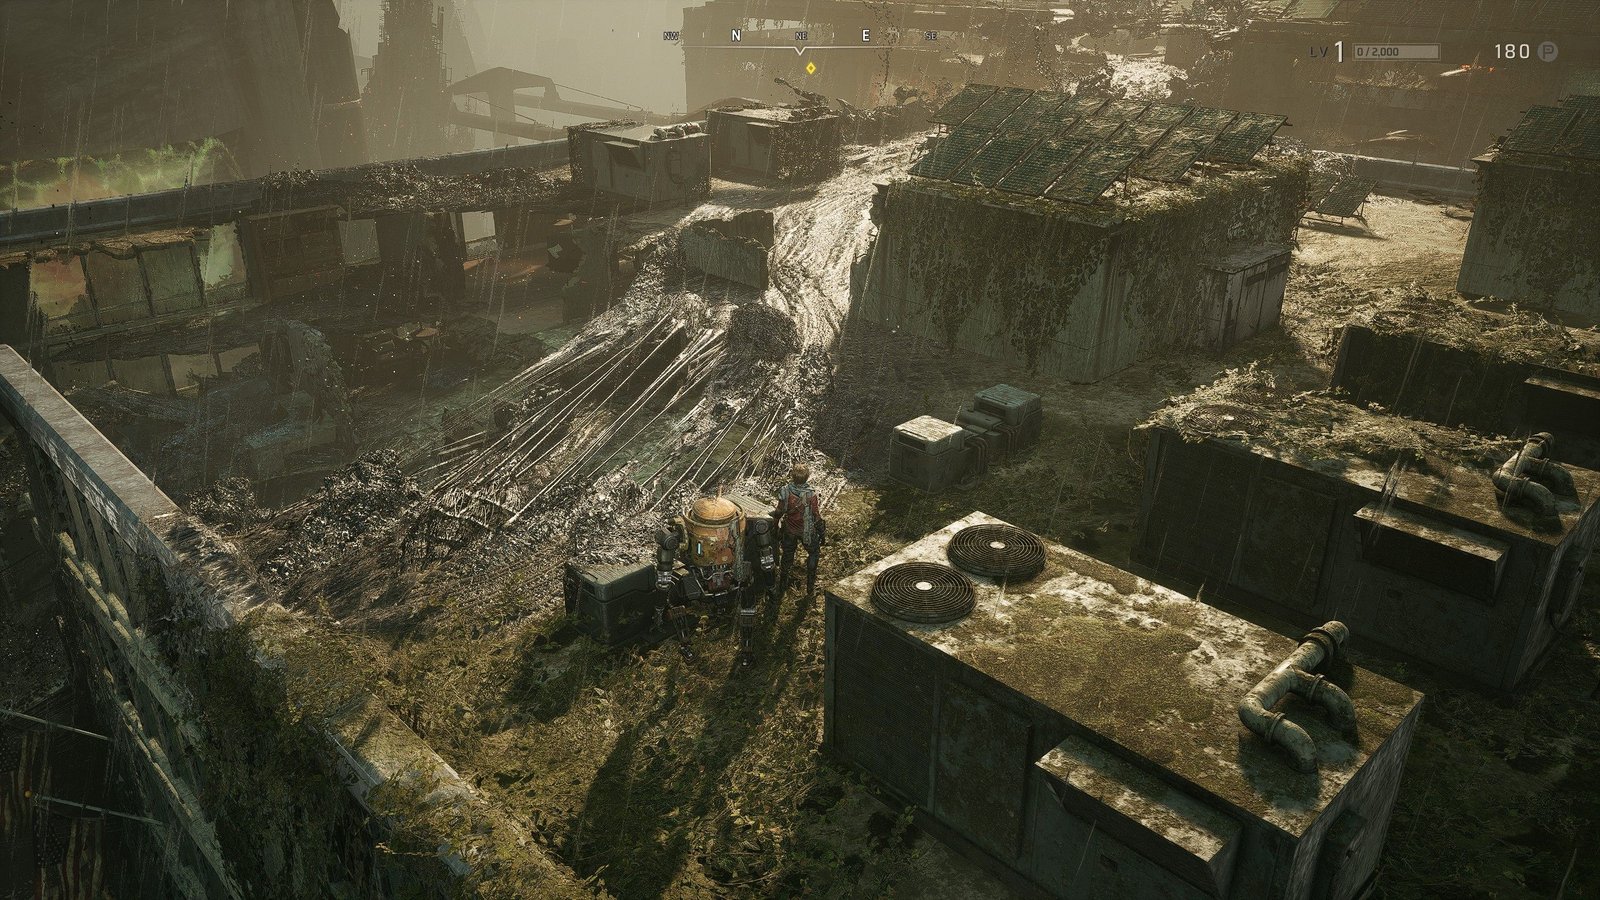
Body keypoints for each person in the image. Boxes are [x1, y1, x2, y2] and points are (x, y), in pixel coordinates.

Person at [772, 464, 826, 597]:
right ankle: (810, 587)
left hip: (790, 530)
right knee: (814, 553)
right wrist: (822, 532)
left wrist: (775, 526)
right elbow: (816, 516)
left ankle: (782, 585)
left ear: (793, 476)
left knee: (787, 555)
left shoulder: (785, 491)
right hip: (806, 530)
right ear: (807, 477)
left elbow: (779, 511)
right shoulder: (811, 494)